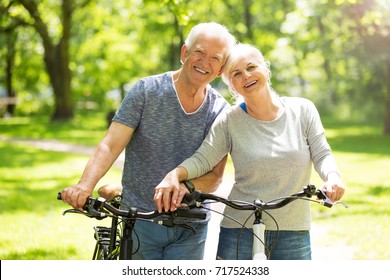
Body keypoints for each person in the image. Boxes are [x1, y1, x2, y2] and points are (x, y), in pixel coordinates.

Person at [60, 22, 236, 260]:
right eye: (199, 52)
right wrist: (84, 184)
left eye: (215, 58)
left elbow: (215, 177)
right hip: (140, 220)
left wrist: (182, 189)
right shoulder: (146, 91)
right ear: (184, 53)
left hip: (191, 227)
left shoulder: (220, 110)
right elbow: (111, 144)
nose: (205, 62)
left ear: (220, 69)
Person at [154, 43, 346, 260]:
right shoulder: (229, 120)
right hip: (239, 229)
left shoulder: (303, 110)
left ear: (266, 69)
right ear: (232, 86)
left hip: (294, 231)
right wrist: (176, 175)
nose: (246, 76)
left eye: (251, 67)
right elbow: (203, 158)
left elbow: (322, 153)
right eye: (236, 74)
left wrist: (333, 177)